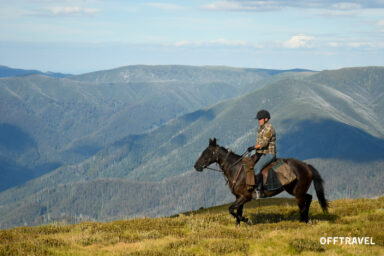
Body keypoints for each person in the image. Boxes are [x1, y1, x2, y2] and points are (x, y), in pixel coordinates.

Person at [248, 110, 276, 199]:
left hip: (269, 154)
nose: (258, 120)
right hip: (261, 153)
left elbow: (264, 143)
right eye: (258, 119)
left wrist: (253, 147)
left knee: (256, 169)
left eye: (260, 119)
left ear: (266, 119)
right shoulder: (262, 128)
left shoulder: (269, 128)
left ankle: (259, 191)